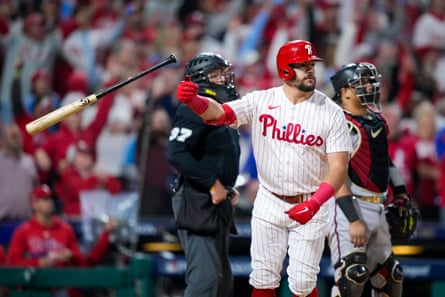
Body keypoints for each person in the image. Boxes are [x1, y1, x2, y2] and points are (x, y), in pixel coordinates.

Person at [175, 40, 352, 297]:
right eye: (303, 66)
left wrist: (315, 204)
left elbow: (339, 168)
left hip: (312, 200)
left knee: (302, 283)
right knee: (263, 277)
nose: (311, 71)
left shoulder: (332, 113)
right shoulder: (262, 100)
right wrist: (194, 102)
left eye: (311, 65)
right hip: (270, 199)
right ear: (285, 71)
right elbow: (220, 114)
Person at [327, 62, 417, 297]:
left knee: (390, 275)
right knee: (352, 274)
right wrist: (353, 218)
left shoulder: (375, 120)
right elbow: (335, 176)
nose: (369, 86)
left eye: (369, 81)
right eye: (361, 83)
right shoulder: (338, 124)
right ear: (345, 91)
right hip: (348, 205)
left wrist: (401, 193)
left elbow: (384, 160)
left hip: (378, 204)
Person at [167, 52, 241, 297]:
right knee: (205, 280)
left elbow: (219, 155)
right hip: (196, 198)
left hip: (216, 199)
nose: (223, 79)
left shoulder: (220, 109)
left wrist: (228, 187)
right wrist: (212, 184)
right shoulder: (192, 109)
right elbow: (176, 153)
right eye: (216, 75)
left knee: (221, 282)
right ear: (200, 80)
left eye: (223, 73)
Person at [7, 184, 118, 297]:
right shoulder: (23, 231)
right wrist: (39, 263)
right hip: (35, 287)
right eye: (44, 199)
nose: (49, 202)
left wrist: (70, 256)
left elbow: (83, 263)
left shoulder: (65, 229)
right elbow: (12, 264)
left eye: (50, 198)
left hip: (61, 288)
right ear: (34, 204)